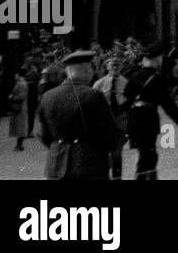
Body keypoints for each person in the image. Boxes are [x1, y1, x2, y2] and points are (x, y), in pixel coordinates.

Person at [37, 50, 121, 180]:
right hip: (88, 163)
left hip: (56, 163)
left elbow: (44, 136)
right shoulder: (94, 95)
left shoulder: (47, 96)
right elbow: (110, 133)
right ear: (87, 70)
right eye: (92, 69)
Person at [124, 42, 178, 180]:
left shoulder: (134, 76)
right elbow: (167, 103)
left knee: (145, 154)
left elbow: (125, 96)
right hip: (148, 120)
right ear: (157, 59)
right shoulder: (157, 79)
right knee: (149, 156)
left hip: (133, 119)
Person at [93, 57, 130, 179]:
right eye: (112, 66)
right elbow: (92, 104)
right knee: (104, 151)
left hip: (120, 119)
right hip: (105, 120)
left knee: (117, 151)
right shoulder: (99, 84)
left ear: (121, 67)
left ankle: (117, 177)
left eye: (117, 66)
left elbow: (131, 102)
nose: (114, 68)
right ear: (106, 67)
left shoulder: (126, 83)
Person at [7, 69, 29, 151]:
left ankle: (19, 145)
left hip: (19, 107)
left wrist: (12, 97)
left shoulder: (21, 84)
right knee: (20, 127)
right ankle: (19, 145)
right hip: (20, 107)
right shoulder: (21, 83)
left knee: (20, 127)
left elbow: (21, 96)